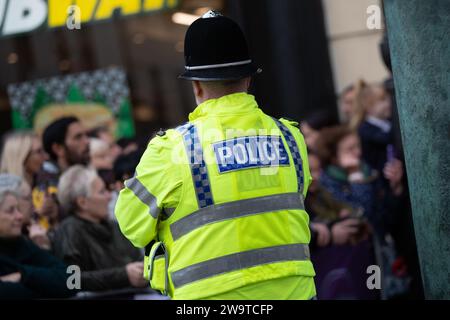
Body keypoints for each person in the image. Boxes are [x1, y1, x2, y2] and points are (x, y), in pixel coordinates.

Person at [115, 11, 316, 300]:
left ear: (196, 85)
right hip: (296, 293)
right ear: (248, 79)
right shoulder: (290, 137)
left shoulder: (171, 149)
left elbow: (131, 225)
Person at [52, 165, 146, 292]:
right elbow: (72, 280)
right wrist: (124, 275)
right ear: (82, 202)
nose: (109, 196)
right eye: (102, 192)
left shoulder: (113, 225)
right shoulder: (69, 231)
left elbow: (137, 259)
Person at [0, 182, 74, 299]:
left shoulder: (22, 244)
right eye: (10, 211)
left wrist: (23, 275)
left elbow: (73, 280)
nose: (20, 216)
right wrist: (43, 285)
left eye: (18, 209)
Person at [33, 117, 90, 229]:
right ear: (58, 148)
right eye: (78, 137)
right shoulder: (47, 187)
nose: (87, 141)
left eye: (85, 135)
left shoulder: (85, 173)